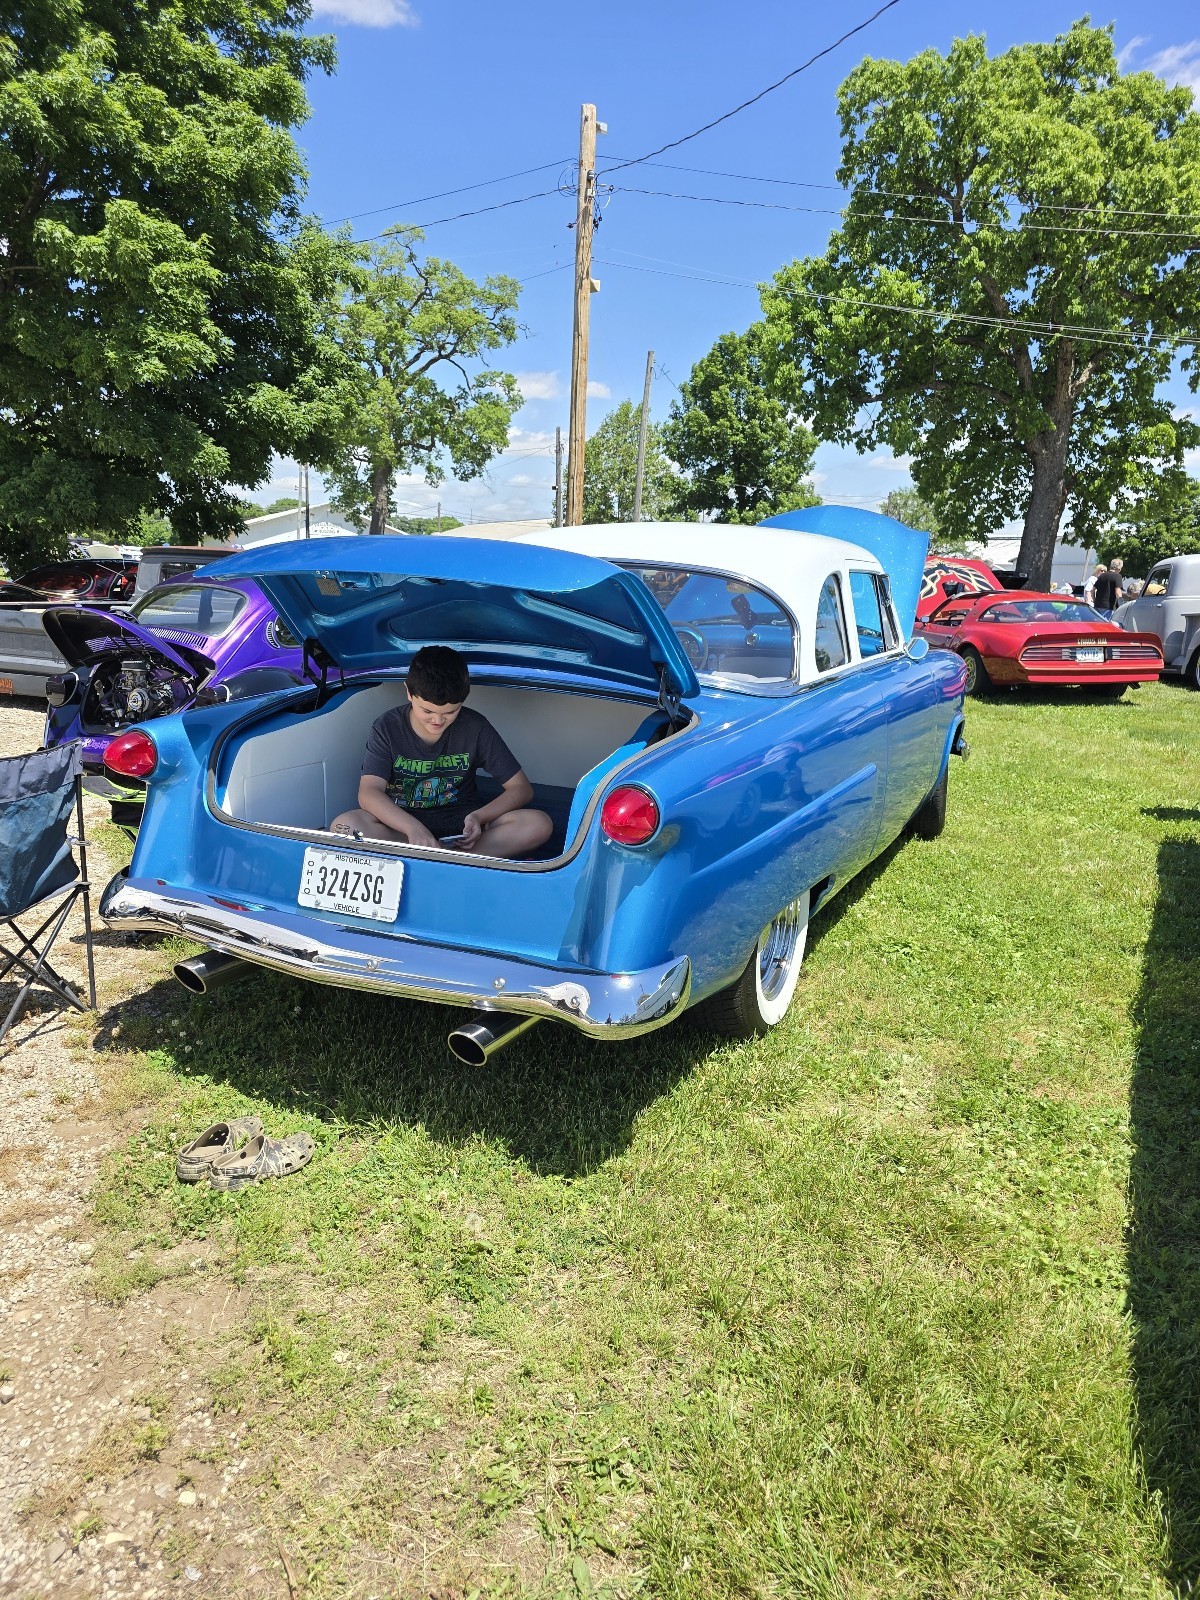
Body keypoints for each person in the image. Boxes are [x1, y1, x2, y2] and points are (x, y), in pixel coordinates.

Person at [329, 645, 553, 858]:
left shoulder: (475, 727)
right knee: (344, 827)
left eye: (450, 712)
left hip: (463, 825)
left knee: (538, 824)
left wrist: (479, 817)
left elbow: (521, 789)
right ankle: (452, 860)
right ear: (408, 692)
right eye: (427, 711)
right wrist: (413, 828)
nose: (437, 720)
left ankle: (439, 858)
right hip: (403, 826)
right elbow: (369, 792)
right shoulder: (387, 727)